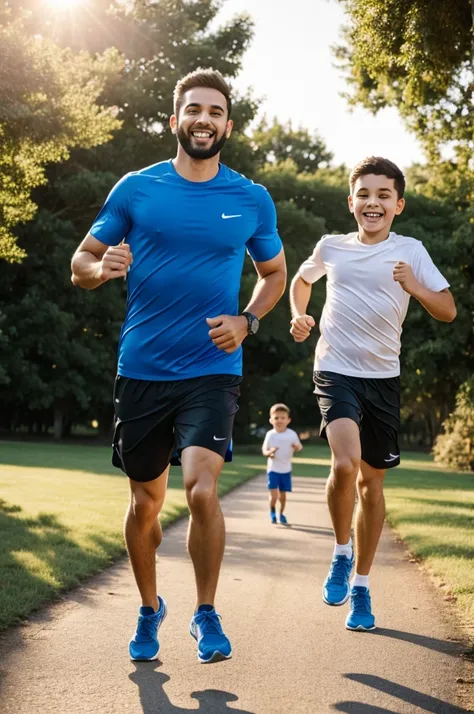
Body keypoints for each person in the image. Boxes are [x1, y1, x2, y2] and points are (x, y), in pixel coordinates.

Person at [71, 68, 286, 663]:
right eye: (194, 109)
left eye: (215, 111)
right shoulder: (137, 189)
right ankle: (148, 609)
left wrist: (248, 320)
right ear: (175, 120)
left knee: (201, 490)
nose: (204, 119)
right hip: (142, 367)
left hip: (212, 367)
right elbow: (80, 263)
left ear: (228, 126)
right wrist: (101, 268)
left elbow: (274, 276)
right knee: (145, 502)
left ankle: (206, 613)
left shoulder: (250, 198)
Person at [289, 156, 456, 631]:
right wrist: (299, 315)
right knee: (344, 464)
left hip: (383, 379)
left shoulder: (412, 251)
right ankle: (342, 552)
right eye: (364, 194)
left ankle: (361, 586)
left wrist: (415, 285)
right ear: (351, 202)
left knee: (371, 484)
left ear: (398, 204)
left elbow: (447, 310)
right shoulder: (331, 247)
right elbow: (302, 282)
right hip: (335, 369)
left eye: (384, 195)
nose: (373, 202)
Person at [262, 403, 303, 524]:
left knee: (283, 496)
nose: (279, 420)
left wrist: (296, 447)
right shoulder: (270, 435)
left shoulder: (292, 434)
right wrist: (270, 452)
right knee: (274, 496)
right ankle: (273, 511)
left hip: (286, 470)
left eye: (282, 418)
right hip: (273, 469)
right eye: (276, 418)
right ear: (271, 420)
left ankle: (282, 514)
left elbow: (300, 447)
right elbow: (264, 451)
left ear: (288, 420)